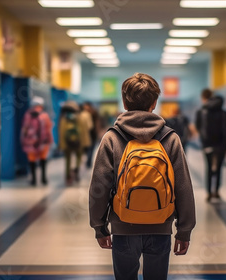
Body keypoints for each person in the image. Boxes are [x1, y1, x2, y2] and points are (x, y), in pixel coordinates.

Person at [89, 73, 196, 280]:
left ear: (124, 101)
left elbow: (99, 186)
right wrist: (184, 230)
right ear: (154, 103)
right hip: (161, 225)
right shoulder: (170, 138)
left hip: (123, 225)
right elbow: (183, 186)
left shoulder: (112, 138)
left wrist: (99, 227)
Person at [195, 89, 226, 202]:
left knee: (209, 168)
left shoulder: (201, 111)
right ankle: (217, 191)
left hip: (207, 144)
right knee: (219, 168)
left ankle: (209, 193)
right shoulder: (223, 112)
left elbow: (198, 127)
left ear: (204, 98)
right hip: (220, 145)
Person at [20, 96, 53, 186]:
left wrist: (23, 141)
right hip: (43, 142)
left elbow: (24, 129)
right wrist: (50, 141)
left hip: (31, 142)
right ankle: (43, 178)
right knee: (43, 160)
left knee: (32, 161)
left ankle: (33, 179)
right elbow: (48, 129)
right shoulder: (45, 116)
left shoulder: (28, 115)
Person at [59, 100, 91, 185]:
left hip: (67, 143)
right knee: (78, 157)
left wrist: (62, 144)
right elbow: (85, 131)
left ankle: (68, 176)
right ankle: (76, 171)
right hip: (78, 142)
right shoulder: (80, 117)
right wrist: (85, 142)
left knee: (68, 160)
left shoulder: (63, 118)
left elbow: (61, 132)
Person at [82, 102, 100, 168]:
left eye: (86, 106)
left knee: (91, 148)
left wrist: (98, 132)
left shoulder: (94, 113)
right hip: (86, 134)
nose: (85, 108)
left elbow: (97, 123)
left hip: (93, 133)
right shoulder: (84, 114)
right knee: (88, 149)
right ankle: (88, 161)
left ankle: (89, 162)